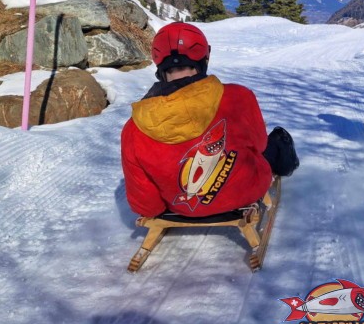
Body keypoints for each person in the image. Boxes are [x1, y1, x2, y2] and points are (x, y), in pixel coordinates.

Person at [121, 22, 297, 218]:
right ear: (205, 58)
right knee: (276, 141)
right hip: (247, 191)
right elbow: (260, 144)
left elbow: (147, 206)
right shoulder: (238, 97)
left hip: (185, 208)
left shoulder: (134, 128)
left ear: (159, 66)